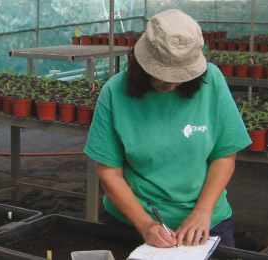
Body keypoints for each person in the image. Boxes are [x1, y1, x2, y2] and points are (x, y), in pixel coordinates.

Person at [83, 9, 251, 248]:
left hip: (207, 224)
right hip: (131, 224)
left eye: (181, 75)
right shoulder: (114, 93)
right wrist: (145, 224)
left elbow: (224, 155)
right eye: (161, 73)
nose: (171, 84)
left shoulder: (212, 81)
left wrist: (202, 212)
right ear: (140, 63)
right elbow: (109, 173)